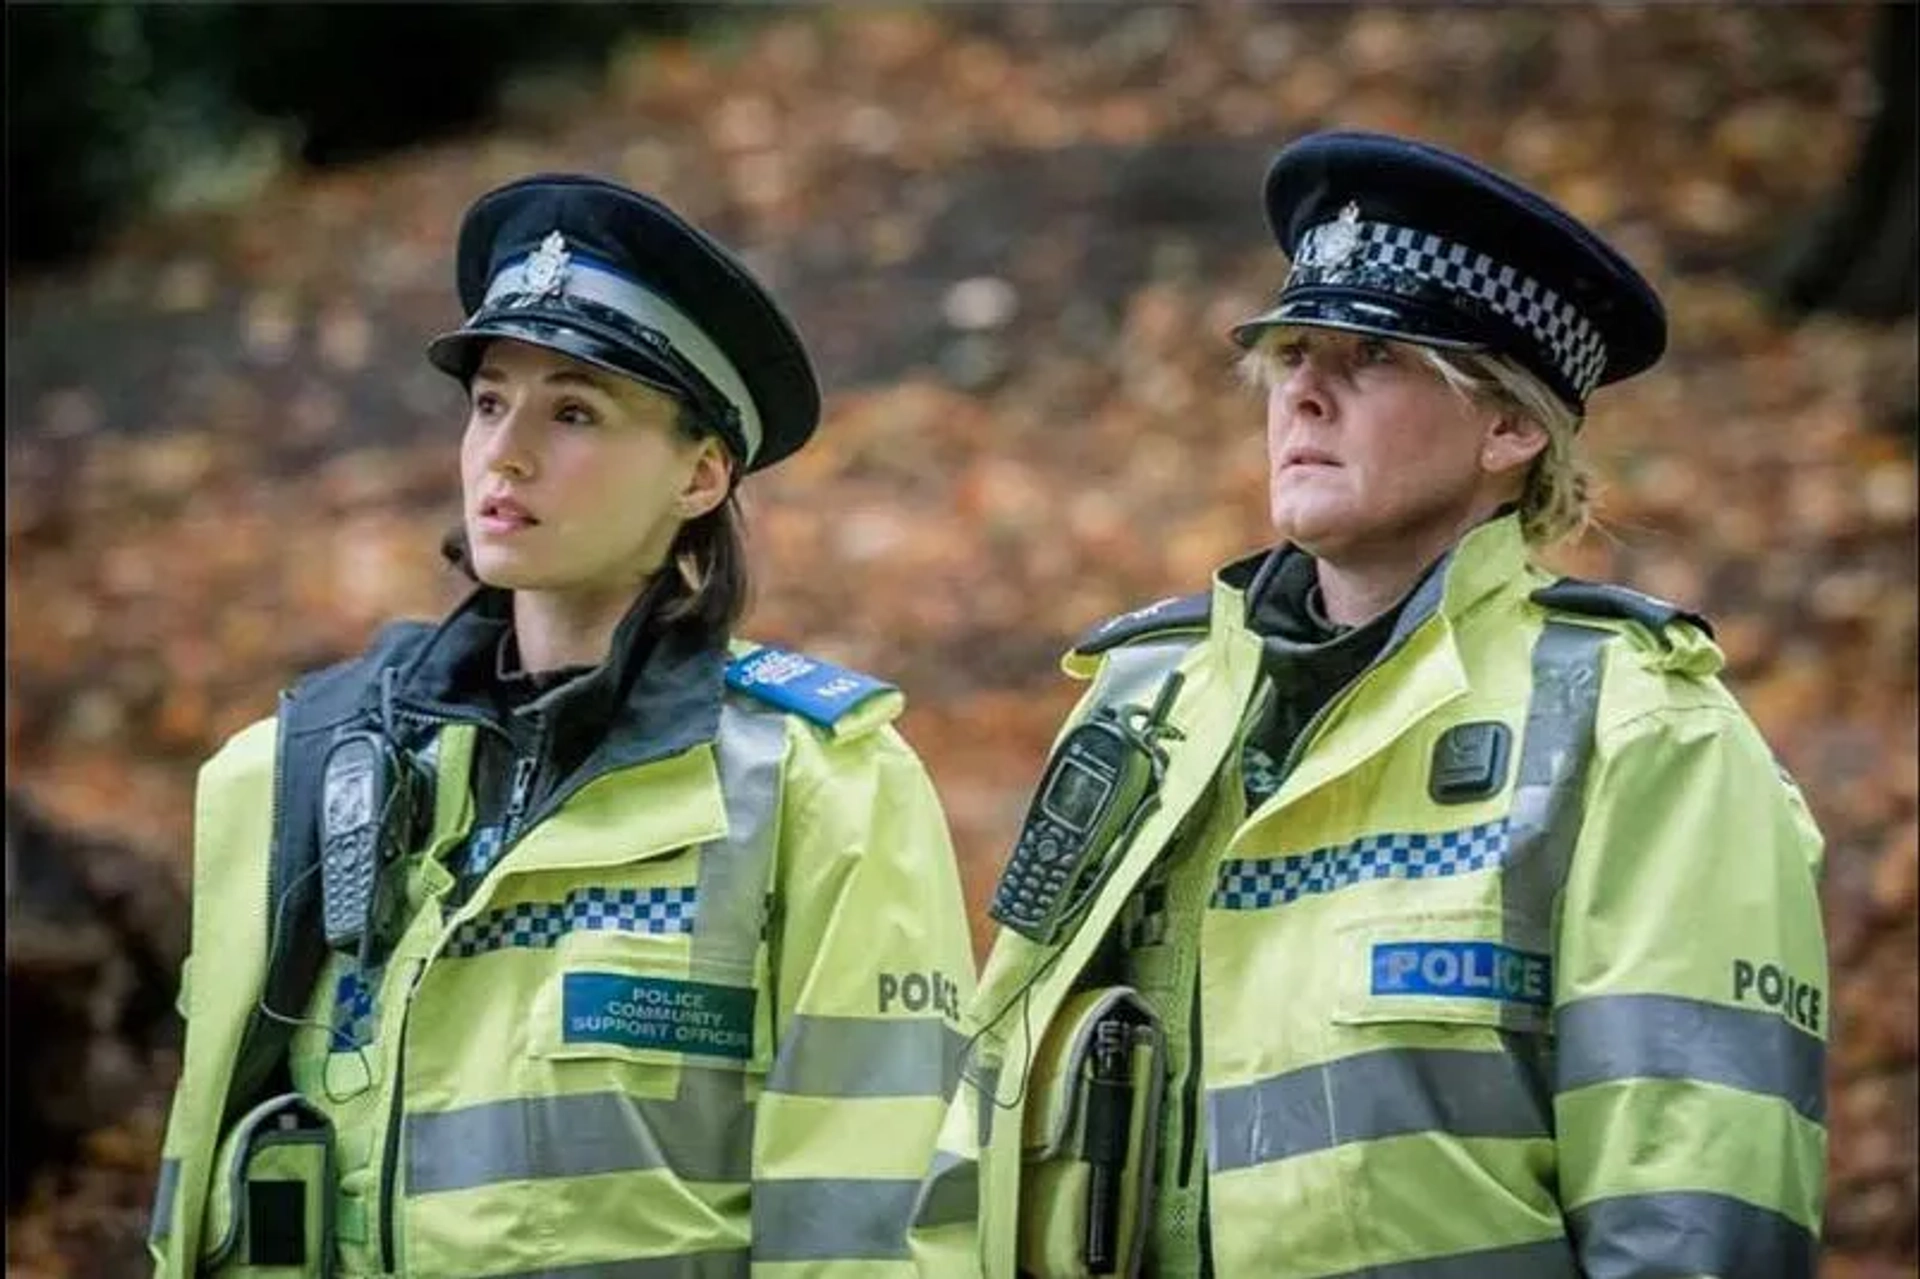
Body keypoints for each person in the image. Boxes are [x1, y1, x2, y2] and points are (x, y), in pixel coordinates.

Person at [908, 131, 1828, 1278]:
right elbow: (985, 1119)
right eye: (1291, 352)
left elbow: (1697, 1219)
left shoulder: (1638, 731)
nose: (1304, 390)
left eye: (1374, 356)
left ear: (1510, 427)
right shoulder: (1144, 704)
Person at [147, 174, 976, 1278]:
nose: (508, 452)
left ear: (701, 472)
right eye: (490, 402)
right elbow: (203, 1188)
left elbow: (867, 1222)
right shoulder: (301, 765)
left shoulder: (820, 788)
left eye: (574, 411)